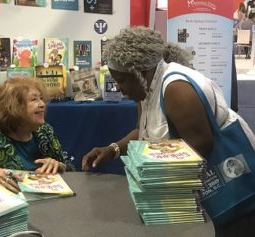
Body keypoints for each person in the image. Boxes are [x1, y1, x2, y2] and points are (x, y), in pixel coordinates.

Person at [81, 26, 255, 237]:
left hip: (231, 189)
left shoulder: (176, 89)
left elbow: (201, 145)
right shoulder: (145, 88)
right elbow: (144, 131)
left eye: (121, 81)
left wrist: (151, 174)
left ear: (140, 73)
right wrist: (113, 149)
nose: (118, 88)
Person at [0, 77, 74, 193]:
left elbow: (70, 169)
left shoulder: (45, 131)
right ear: (14, 106)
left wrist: (59, 166)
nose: (42, 104)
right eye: (34, 99)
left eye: (41, 98)